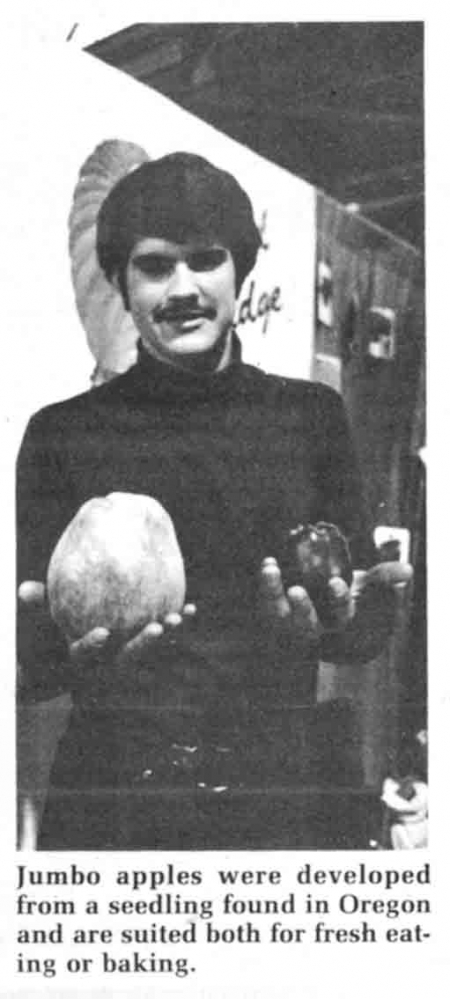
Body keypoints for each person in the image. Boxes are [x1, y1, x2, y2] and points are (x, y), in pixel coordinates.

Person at [17, 152, 411, 849]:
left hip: (277, 799)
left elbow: (360, 632)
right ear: (120, 282)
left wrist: (348, 614)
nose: (184, 288)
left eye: (206, 259)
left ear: (240, 270)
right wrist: (55, 653)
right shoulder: (62, 434)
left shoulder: (310, 417)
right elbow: (32, 664)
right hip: (115, 802)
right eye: (154, 266)